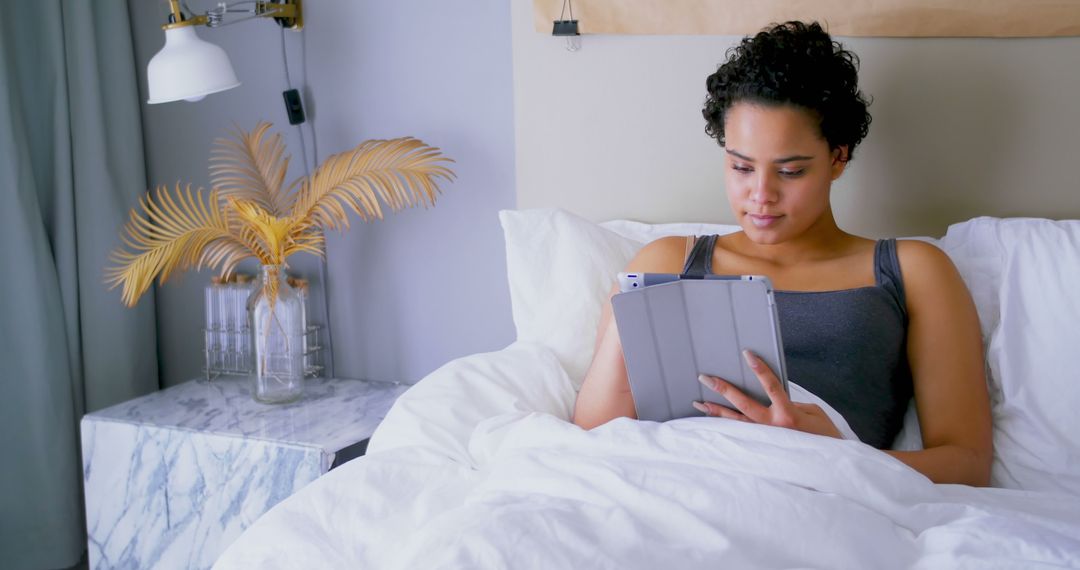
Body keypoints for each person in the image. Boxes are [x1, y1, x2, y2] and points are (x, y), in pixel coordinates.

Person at [571, 21, 992, 486]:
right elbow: (592, 438)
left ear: (838, 158)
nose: (761, 195)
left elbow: (966, 464)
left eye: (790, 171)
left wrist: (834, 452)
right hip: (682, 480)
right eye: (741, 167)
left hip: (824, 493)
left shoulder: (912, 270)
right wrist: (630, 320)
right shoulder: (667, 263)